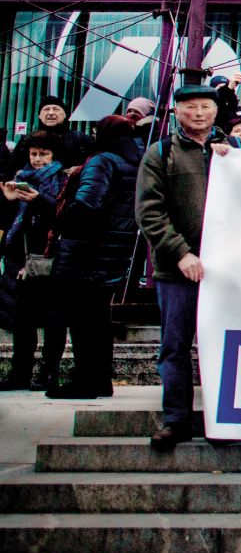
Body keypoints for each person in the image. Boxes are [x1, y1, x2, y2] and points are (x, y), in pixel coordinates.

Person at [135, 82, 231, 447]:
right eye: (190, 106)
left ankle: (225, 418)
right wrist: (181, 253)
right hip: (178, 271)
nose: (198, 113)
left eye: (205, 106)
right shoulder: (160, 154)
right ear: (177, 111)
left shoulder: (234, 150)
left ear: (215, 111)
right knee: (175, 347)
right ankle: (176, 419)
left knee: (225, 345)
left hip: (226, 271)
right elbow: (149, 212)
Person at [46, 116, 144, 401]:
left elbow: (88, 203)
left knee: (81, 319)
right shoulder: (134, 162)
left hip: (85, 252)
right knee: (98, 318)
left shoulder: (103, 161)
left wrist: (59, 215)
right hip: (113, 252)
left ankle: (85, 380)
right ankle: (100, 379)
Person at [0, 134, 69, 390]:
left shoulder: (63, 179)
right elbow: (9, 223)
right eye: (34, 154)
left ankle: (48, 372)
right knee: (21, 320)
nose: (38, 160)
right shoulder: (18, 179)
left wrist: (38, 200)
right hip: (20, 256)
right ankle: (20, 374)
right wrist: (8, 201)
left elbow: (62, 214)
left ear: (54, 156)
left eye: (44, 154)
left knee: (53, 319)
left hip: (49, 256)